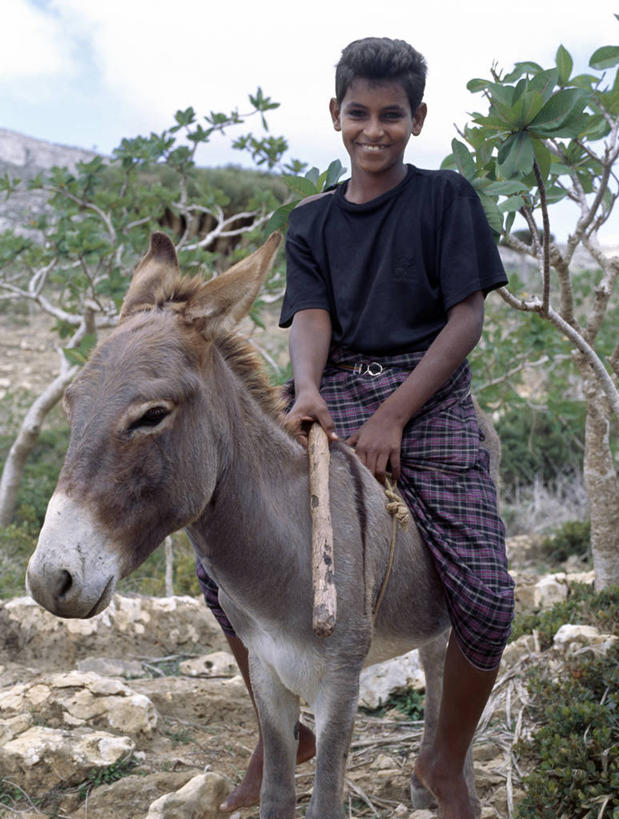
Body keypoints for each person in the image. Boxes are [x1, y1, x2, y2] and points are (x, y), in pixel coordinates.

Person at [197, 36, 515, 818]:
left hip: (429, 397)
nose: (374, 130)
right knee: (218, 557)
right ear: (335, 114)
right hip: (332, 386)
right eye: (358, 113)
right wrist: (306, 390)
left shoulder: (446, 199)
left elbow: (465, 318)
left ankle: (443, 758)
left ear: (417, 118)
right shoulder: (311, 219)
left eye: (391, 115)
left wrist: (393, 415)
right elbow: (311, 315)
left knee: (485, 597)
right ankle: (280, 732)